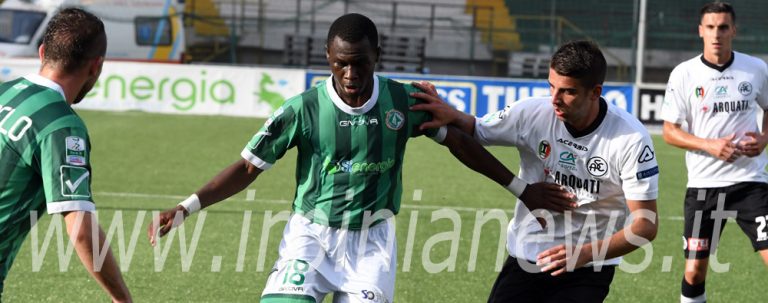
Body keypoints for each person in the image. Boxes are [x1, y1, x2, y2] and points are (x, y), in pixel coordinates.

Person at [147, 13, 573, 303]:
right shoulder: (302, 109)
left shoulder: (402, 101)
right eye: (340, 65)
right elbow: (246, 168)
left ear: (377, 58)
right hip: (310, 236)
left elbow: (460, 143)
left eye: (360, 65)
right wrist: (186, 207)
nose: (351, 76)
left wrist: (522, 189)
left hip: (372, 241)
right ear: (328, 61)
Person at [411, 40, 659, 302]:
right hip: (528, 252)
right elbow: (476, 129)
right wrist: (446, 112)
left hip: (588, 266)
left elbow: (646, 224)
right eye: (551, 86)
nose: (555, 99)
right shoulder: (532, 113)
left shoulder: (630, 139)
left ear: (595, 92)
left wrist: (585, 253)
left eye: (568, 91)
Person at [0, 8, 132, 302]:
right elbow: (81, 230)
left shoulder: (4, 92)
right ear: (96, 66)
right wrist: (122, 298)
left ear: (43, 51)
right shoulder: (62, 126)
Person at [660, 2, 768, 302]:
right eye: (710, 27)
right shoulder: (684, 74)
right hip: (704, 187)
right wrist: (709, 144)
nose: (716, 34)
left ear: (734, 30)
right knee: (694, 271)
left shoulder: (756, 68)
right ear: (700, 31)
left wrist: (764, 138)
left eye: (722, 27)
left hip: (751, 182)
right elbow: (670, 131)